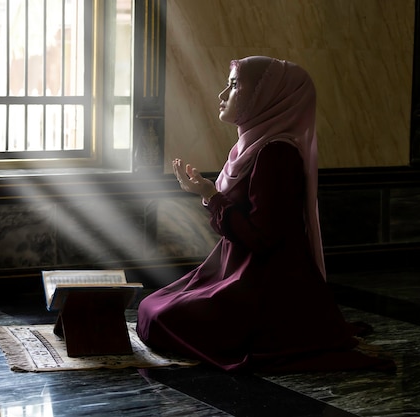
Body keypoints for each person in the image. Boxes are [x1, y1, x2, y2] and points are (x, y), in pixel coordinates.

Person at [136, 56, 395, 373]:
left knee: (160, 317)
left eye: (233, 86)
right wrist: (209, 195)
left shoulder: (276, 154)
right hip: (235, 269)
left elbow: (262, 238)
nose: (222, 95)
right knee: (151, 308)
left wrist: (210, 195)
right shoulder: (251, 148)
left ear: (265, 98)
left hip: (265, 282)